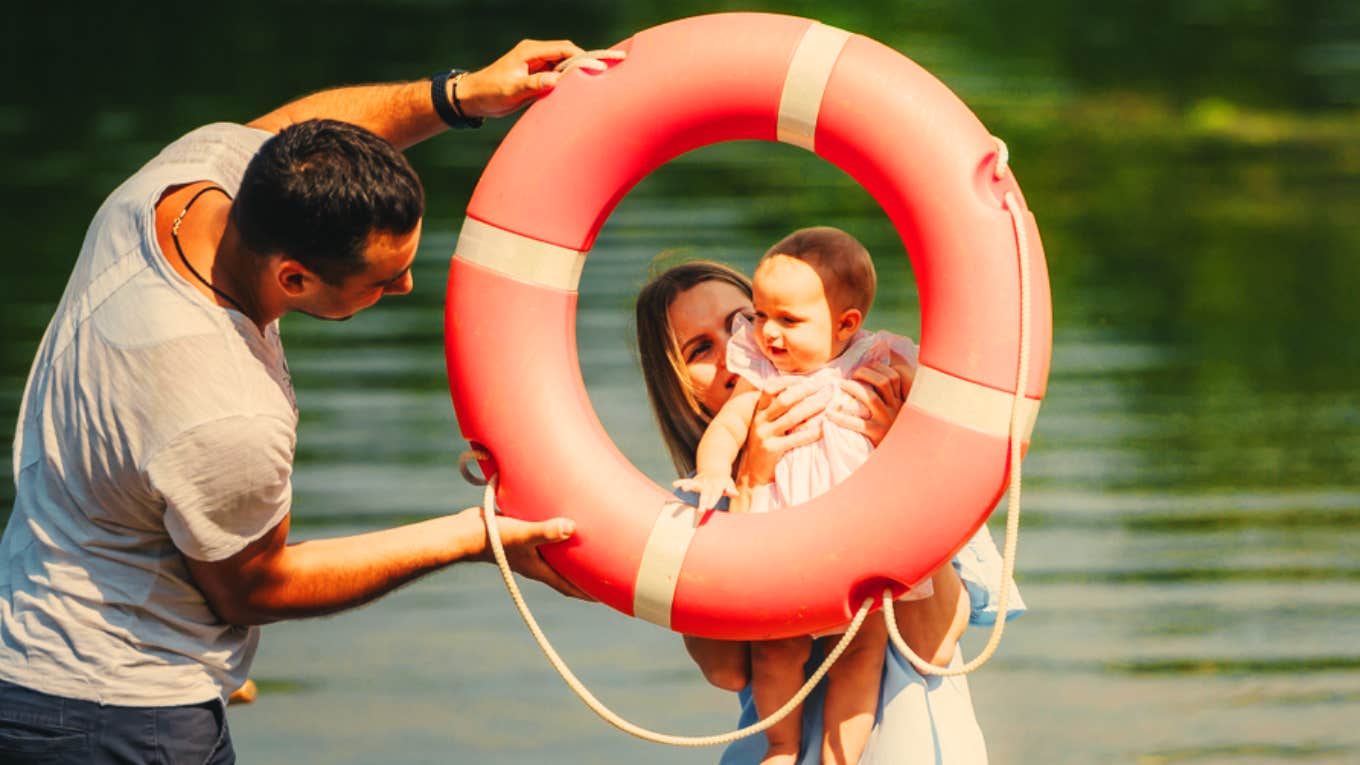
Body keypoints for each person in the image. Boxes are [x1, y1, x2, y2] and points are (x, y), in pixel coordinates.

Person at [0, 39, 608, 764]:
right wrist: (474, 536)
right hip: (126, 717)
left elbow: (296, 131)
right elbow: (257, 587)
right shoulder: (226, 407)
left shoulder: (178, 182)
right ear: (293, 280)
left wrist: (458, 96)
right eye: (383, 280)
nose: (406, 289)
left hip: (28, 654)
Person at [635, 259, 1026, 764]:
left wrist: (900, 462)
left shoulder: (913, 451)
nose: (734, 355)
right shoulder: (698, 505)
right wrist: (751, 485)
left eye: (740, 323)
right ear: (678, 385)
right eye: (701, 350)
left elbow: (933, 644)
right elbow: (727, 668)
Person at [673, 228, 919, 765]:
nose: (767, 335)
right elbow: (726, 431)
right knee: (776, 647)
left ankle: (839, 759)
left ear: (846, 324)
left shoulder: (875, 361)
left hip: (858, 545)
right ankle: (781, 748)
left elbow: (932, 403)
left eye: (786, 320)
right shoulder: (761, 378)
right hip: (783, 550)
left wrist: (903, 425)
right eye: (760, 317)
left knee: (861, 649)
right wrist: (718, 474)